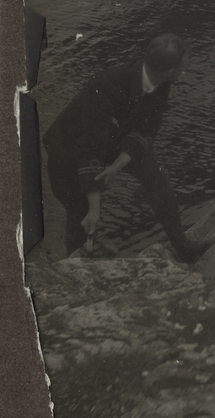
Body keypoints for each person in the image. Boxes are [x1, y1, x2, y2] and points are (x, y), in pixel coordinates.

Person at [42, 34, 202, 262]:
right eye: (182, 67)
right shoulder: (108, 83)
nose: (183, 72)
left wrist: (117, 165)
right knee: (80, 209)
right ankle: (79, 261)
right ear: (169, 70)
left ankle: (182, 245)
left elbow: (148, 126)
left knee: (156, 182)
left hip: (116, 136)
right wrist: (95, 208)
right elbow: (90, 147)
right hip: (68, 148)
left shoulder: (162, 81)